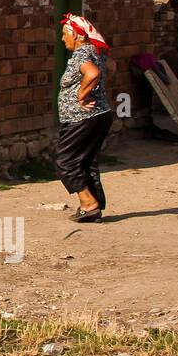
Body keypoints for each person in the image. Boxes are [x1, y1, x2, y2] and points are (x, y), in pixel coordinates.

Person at [55, 13, 113, 223]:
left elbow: (93, 73)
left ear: (77, 36)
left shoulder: (82, 55)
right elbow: (110, 68)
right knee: (86, 162)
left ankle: (89, 204)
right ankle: (92, 208)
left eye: (65, 35)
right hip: (99, 115)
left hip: (82, 119)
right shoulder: (96, 52)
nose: (63, 39)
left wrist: (81, 94)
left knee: (66, 162)